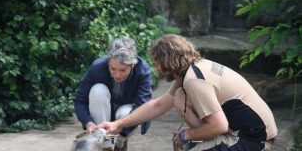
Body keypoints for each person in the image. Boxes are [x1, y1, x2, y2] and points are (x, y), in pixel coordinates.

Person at [98, 34, 278, 151]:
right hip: (242, 130)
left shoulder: (194, 79)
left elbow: (219, 126)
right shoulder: (189, 72)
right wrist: (118, 123)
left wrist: (187, 134)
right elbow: (159, 104)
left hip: (254, 139)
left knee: (184, 138)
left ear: (167, 61)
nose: (156, 67)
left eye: (156, 62)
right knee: (179, 97)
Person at [74, 36, 152, 151]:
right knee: (98, 90)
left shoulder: (143, 71)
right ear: (108, 62)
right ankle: (105, 145)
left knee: (126, 112)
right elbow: (80, 100)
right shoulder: (97, 67)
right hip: (103, 114)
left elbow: (143, 107)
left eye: (123, 70)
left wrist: (122, 128)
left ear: (133, 65)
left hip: (126, 113)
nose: (117, 75)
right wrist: (88, 122)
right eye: (113, 69)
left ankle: (121, 140)